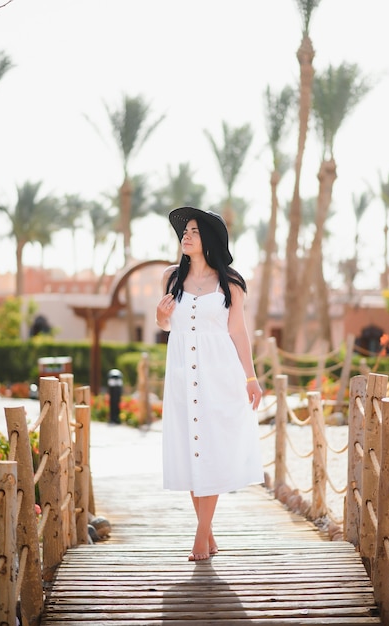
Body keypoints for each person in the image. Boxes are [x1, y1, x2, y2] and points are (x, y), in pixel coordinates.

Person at [156, 206, 264, 562]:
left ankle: (201, 536)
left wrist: (251, 377)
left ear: (210, 240)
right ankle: (209, 532)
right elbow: (168, 327)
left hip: (219, 373)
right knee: (191, 449)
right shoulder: (171, 278)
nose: (186, 236)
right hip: (182, 375)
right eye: (185, 231)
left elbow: (238, 332)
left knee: (212, 449)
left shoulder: (229, 283)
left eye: (194, 231)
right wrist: (161, 317)